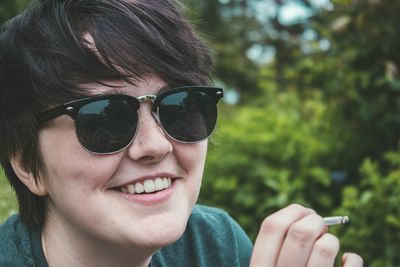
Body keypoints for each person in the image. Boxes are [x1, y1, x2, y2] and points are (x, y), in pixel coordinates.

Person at [0, 0, 363, 266]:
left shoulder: (214, 246)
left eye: (181, 107)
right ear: (27, 164)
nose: (155, 145)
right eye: (104, 121)